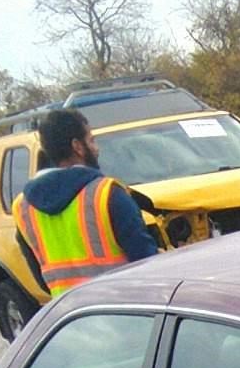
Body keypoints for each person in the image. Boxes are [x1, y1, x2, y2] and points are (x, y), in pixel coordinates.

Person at [11, 107, 160, 298]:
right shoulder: (106, 194)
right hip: (124, 312)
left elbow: (40, 276)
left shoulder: (23, 207)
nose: (96, 149)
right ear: (78, 146)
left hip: (75, 317)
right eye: (91, 140)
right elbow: (149, 265)